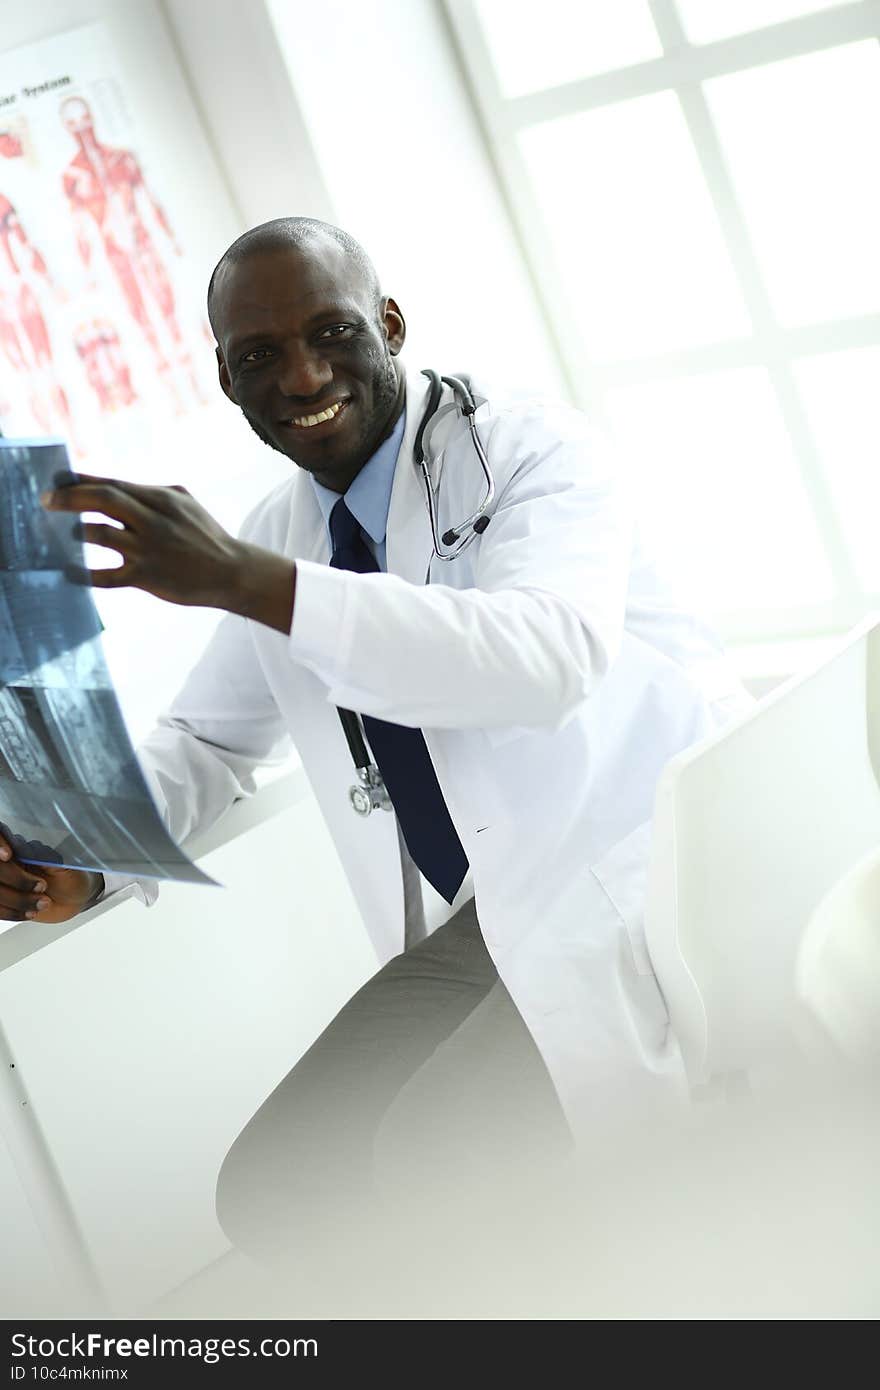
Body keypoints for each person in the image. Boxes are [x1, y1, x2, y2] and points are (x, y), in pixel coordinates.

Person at [1, 218, 748, 1297]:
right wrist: (84, 853)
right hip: (497, 908)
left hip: (638, 865)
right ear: (225, 377)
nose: (301, 375)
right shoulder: (285, 525)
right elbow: (207, 737)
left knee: (433, 1161)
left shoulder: (533, 451)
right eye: (258, 355)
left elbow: (547, 658)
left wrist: (249, 581)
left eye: (332, 331)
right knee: (277, 1186)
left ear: (390, 323)